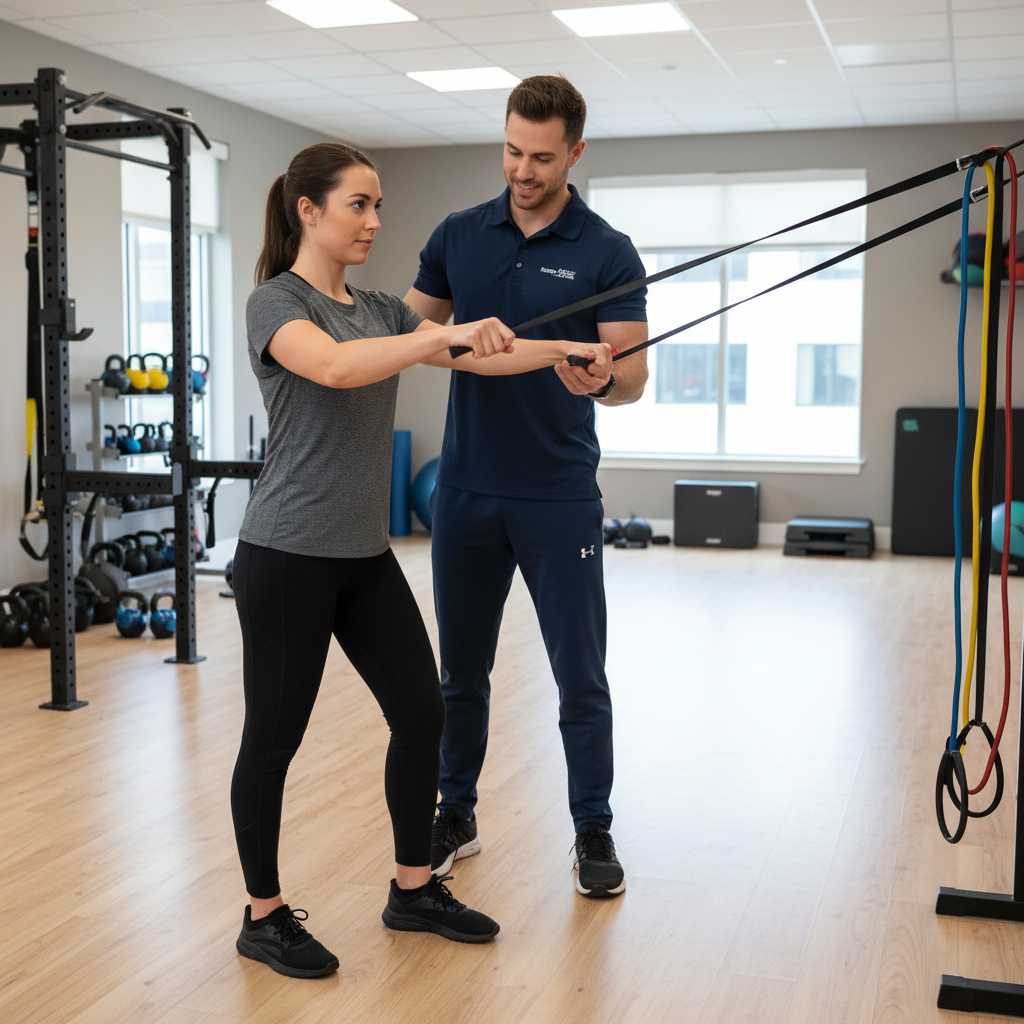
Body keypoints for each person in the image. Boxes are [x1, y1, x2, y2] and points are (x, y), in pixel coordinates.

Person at [230, 141, 612, 978]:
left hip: (363, 556)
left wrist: (563, 351)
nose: (373, 221)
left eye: (377, 207)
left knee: (423, 713)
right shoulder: (276, 304)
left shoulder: (375, 306)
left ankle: (412, 889)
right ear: (308, 210)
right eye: (358, 205)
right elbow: (333, 368)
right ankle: (262, 915)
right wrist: (441, 335)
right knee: (274, 739)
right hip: (287, 555)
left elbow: (480, 352)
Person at [404, 75, 649, 900]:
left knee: (579, 676)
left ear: (575, 152)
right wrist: (449, 338)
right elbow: (412, 335)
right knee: (458, 675)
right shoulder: (460, 234)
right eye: (512, 150)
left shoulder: (606, 250)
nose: (523, 168)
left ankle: (592, 829)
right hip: (466, 490)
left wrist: (601, 382)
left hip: (557, 493)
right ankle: (456, 812)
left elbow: (633, 376)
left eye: (542, 156)